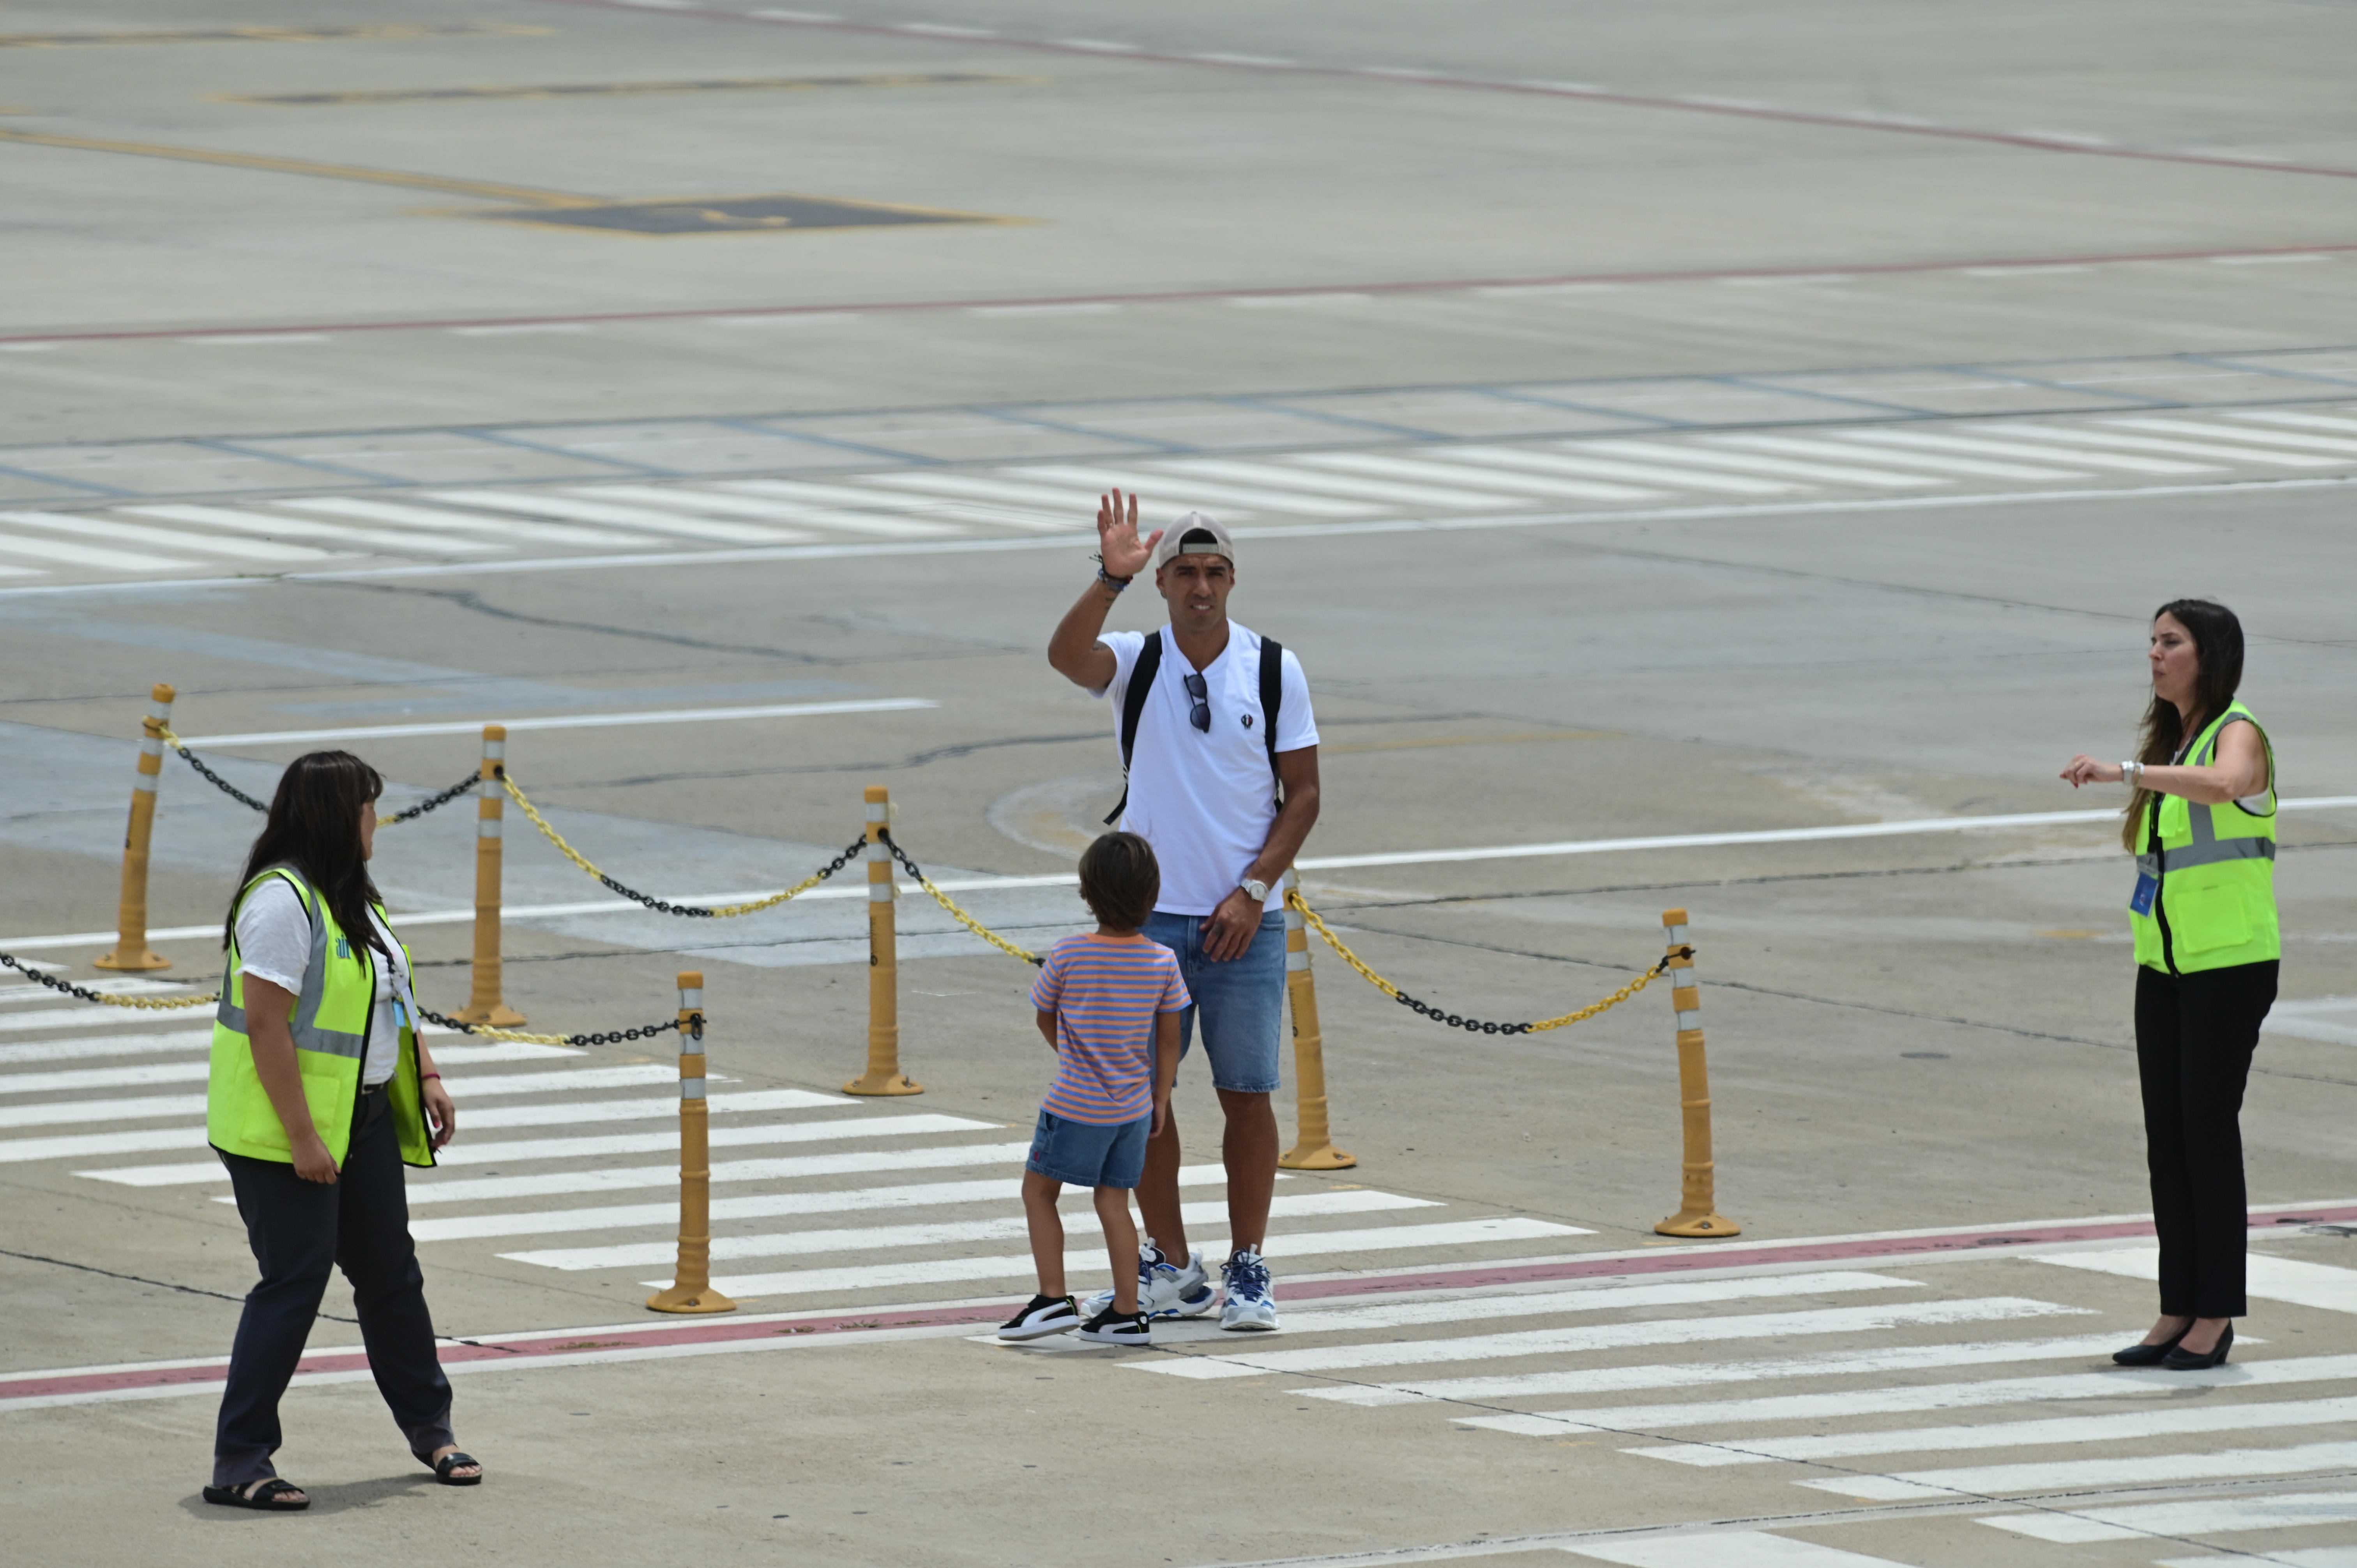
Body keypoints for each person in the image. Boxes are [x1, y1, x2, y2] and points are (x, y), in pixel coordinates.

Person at [1047, 492, 1320, 1333]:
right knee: (1148, 1099)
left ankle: (1248, 1263)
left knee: (1248, 1093)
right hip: (1150, 921)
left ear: (1232, 580)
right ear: (1163, 582)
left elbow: (1303, 795)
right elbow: (1066, 656)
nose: (1201, 587)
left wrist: (1254, 891)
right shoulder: (1139, 658)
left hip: (1242, 922)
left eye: (1215, 573)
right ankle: (1171, 1265)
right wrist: (1108, 578)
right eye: (1186, 573)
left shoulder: (1273, 668)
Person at [202, 750, 477, 1510]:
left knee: (391, 1273)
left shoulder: (354, 896)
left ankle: (432, 1427)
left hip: (360, 1119)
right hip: (280, 1130)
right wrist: (302, 1137)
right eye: (368, 807)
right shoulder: (281, 903)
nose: (376, 821)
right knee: (295, 1277)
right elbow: (266, 1026)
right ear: (337, 815)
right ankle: (241, 1458)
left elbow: (393, 992)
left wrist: (425, 1073)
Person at [2063, 599, 2277, 1372]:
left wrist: (2127, 771)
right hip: (2166, 967)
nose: (2154, 655)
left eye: (2171, 642)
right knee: (2169, 1139)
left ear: (2208, 654)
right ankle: (2176, 1304)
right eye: (2151, 641)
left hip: (2232, 966)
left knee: (2208, 1134)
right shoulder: (2174, 739)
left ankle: (2215, 1314)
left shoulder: (2235, 732)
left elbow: (2225, 786)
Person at [998, 832, 1188, 1346]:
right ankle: (1127, 1312)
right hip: (1133, 1106)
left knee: (1039, 1192)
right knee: (1114, 1203)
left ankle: (1053, 1297)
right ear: (1153, 897)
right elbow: (1169, 1038)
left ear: (1087, 894)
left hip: (1075, 1101)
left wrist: (1073, 1054)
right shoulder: (1162, 962)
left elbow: (1045, 1013)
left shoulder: (1069, 955)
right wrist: (1161, 1095)